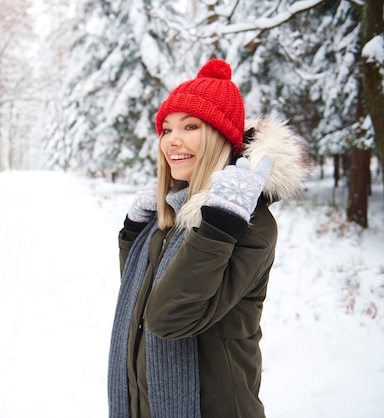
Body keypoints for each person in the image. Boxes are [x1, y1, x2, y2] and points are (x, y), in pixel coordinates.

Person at [107, 59, 312, 418]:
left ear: (219, 136)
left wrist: (220, 225)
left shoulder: (247, 224)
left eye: (190, 126)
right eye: (166, 129)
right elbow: (139, 297)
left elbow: (168, 318)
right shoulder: (173, 211)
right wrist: (134, 233)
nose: (173, 140)